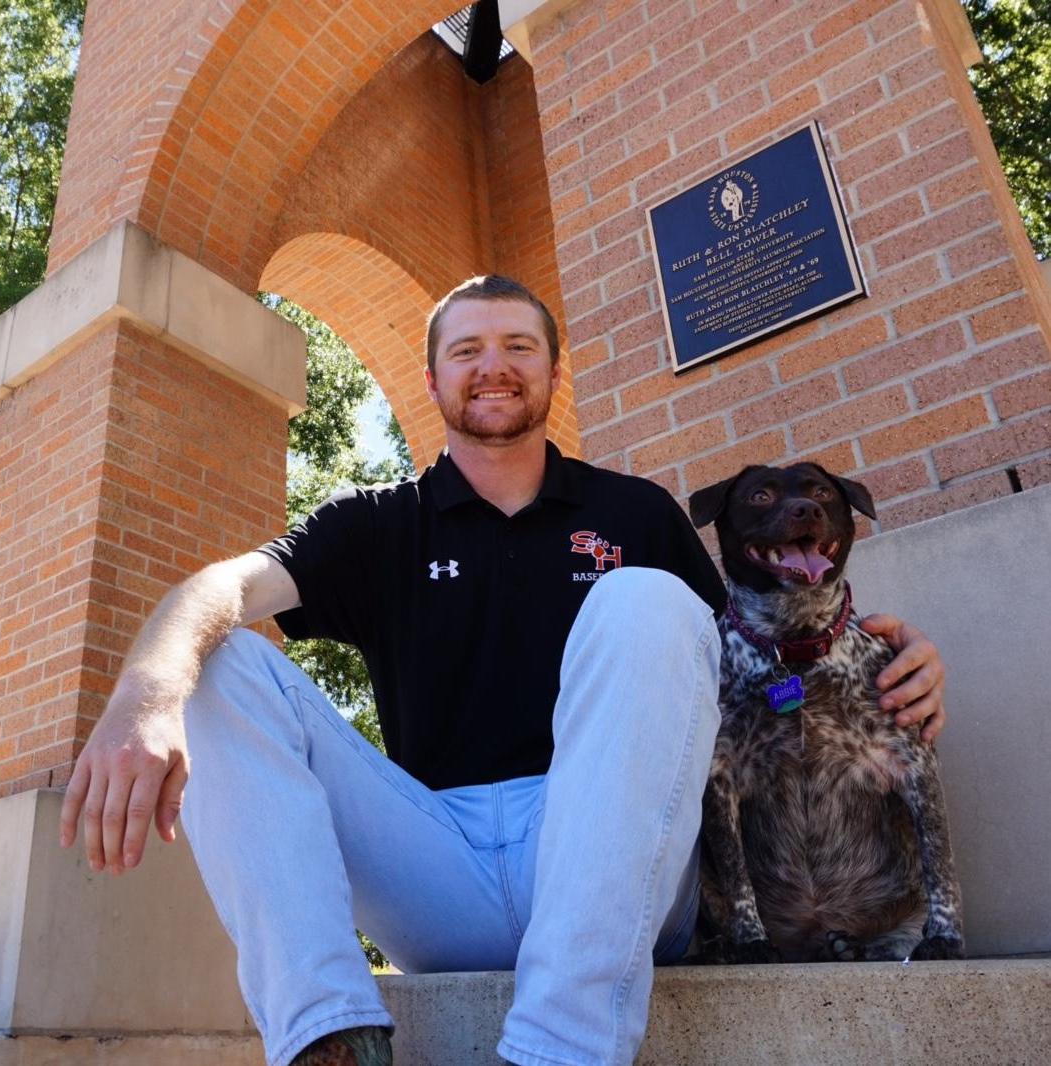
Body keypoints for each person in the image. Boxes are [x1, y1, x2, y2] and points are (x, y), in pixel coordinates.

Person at [59, 276, 947, 1066]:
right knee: (215, 657)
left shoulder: (632, 510)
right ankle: (331, 1040)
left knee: (648, 602)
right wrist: (147, 694)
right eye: (468, 349)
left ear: (553, 373)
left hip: (617, 852)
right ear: (435, 377)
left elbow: (746, 668)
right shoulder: (378, 523)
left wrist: (868, 668)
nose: (495, 365)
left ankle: (566, 1049)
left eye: (519, 346)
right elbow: (227, 584)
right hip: (434, 861)